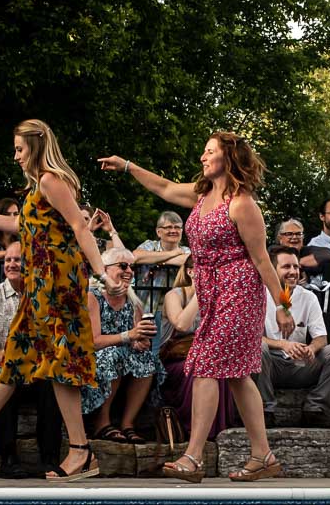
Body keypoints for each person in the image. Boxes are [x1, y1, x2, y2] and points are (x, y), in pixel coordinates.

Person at [0, 119, 119, 481]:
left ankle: (81, 451)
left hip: (59, 285)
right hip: (40, 287)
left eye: (20, 149)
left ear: (35, 147)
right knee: (16, 356)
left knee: (60, 367)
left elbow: (79, 227)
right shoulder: (38, 187)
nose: (16, 156)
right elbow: (19, 226)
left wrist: (101, 273)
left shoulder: (51, 180)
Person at [100, 132, 288, 483]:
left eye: (210, 151)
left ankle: (194, 456)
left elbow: (263, 260)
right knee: (237, 375)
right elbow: (165, 187)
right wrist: (127, 166)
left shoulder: (241, 204)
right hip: (211, 291)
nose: (203, 156)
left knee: (205, 365)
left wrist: (283, 306)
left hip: (239, 292)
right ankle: (263, 456)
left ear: (228, 158)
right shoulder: (202, 195)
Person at [0, 242, 62, 477]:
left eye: (18, 260)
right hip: (2, 362)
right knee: (5, 377)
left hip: (40, 367)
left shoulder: (44, 296)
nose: (12, 264)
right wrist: (17, 364)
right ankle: (8, 458)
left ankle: (50, 459)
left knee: (54, 386)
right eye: (8, 260)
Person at [258, 245, 330, 426]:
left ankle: (315, 407)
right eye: (286, 267)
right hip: (270, 366)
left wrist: (311, 349)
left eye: (296, 267)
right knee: (259, 348)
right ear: (273, 271)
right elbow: (251, 338)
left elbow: (321, 337)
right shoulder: (259, 295)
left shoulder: (308, 297)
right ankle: (266, 410)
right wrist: (283, 345)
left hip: (300, 365)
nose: (293, 272)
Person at [83, 246, 163, 442]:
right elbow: (93, 342)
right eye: (123, 266)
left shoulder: (133, 300)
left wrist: (141, 342)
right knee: (114, 355)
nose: (129, 271)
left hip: (122, 352)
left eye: (131, 267)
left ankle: (128, 423)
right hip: (94, 355)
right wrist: (129, 336)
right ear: (105, 269)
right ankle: (102, 423)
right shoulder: (93, 296)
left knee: (147, 359)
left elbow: (137, 337)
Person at [160, 256, 239, 440]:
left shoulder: (219, 297)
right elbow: (182, 325)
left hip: (207, 356)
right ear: (191, 272)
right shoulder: (175, 295)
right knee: (200, 368)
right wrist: (199, 294)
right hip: (178, 358)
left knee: (217, 367)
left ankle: (216, 429)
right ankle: (192, 428)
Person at [133, 211, 190, 310]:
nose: (173, 230)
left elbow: (189, 260)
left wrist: (157, 260)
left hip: (176, 309)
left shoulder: (185, 250)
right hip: (146, 308)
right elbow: (135, 256)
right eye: (168, 227)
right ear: (158, 232)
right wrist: (173, 254)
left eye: (177, 227)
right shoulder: (150, 245)